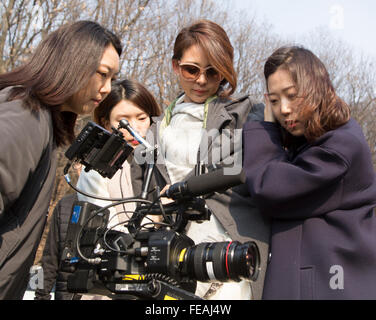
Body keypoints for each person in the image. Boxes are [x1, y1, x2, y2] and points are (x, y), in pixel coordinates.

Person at [132, 20, 270, 300]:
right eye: (191, 69)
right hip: (176, 257)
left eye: (213, 72)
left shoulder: (244, 113)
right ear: (175, 66)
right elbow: (143, 194)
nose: (202, 80)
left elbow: (257, 172)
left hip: (231, 253)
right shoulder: (157, 128)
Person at [0, 20, 121, 300]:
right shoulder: (24, 116)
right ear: (72, 62)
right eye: (102, 74)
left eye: (112, 79)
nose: (106, 89)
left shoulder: (38, 118)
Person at [243, 46, 376, 299]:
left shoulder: (341, 147)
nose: (283, 109)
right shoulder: (306, 142)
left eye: (292, 96)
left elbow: (269, 189)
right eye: (273, 100)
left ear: (317, 88)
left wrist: (265, 130)